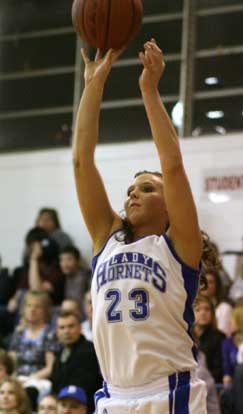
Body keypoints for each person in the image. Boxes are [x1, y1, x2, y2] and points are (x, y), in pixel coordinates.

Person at [72, 39, 207, 413]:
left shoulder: (179, 247)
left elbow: (173, 163)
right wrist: (93, 86)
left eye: (147, 188)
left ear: (169, 206)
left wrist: (149, 89)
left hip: (170, 394)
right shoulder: (107, 239)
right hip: (113, 397)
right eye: (130, 189)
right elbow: (82, 161)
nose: (133, 193)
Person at [50, 310, 102, 414]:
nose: (66, 331)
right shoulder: (60, 353)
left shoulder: (90, 351)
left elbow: (86, 387)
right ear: (57, 331)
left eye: (70, 326)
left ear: (80, 328)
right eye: (62, 327)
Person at [193, 295, 225, 384]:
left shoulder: (219, 337)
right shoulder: (185, 336)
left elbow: (218, 369)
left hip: (210, 384)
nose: (203, 313)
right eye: (198, 310)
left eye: (207, 309)